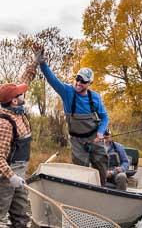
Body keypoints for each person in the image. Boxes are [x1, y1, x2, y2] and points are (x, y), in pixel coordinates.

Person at [0, 62, 38, 228]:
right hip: (3, 177)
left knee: (21, 219)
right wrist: (11, 177)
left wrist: (35, 62)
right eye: (19, 94)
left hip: (19, 174)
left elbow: (24, 83)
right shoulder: (4, 123)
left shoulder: (16, 110)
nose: (23, 93)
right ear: (15, 101)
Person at [35, 47, 109, 186]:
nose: (79, 83)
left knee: (101, 165)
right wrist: (42, 64)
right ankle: (83, 194)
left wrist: (100, 133)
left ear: (90, 83)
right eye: (78, 79)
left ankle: (104, 189)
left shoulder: (95, 98)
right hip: (77, 141)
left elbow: (105, 118)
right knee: (81, 170)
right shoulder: (67, 92)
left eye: (83, 81)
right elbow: (52, 80)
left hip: (95, 139)